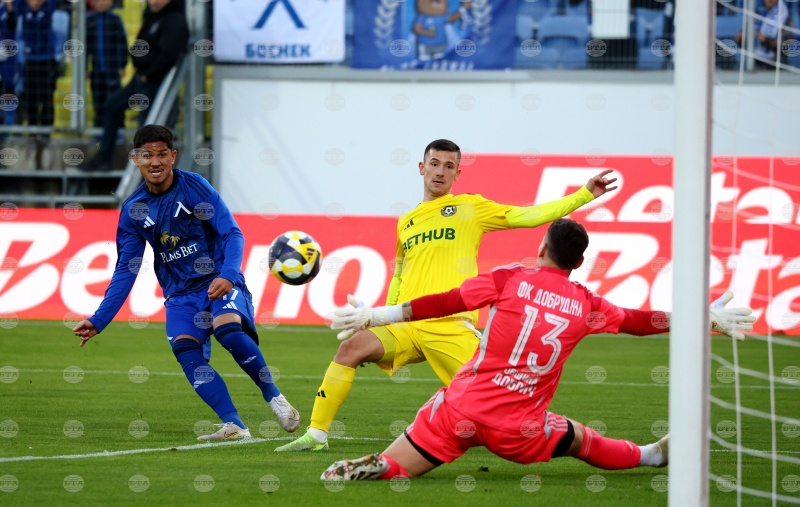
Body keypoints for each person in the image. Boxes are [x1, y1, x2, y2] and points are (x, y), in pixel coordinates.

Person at [321, 219, 756, 481]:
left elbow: (448, 302)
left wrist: (376, 315)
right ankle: (652, 455)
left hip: (461, 409)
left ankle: (388, 466)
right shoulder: (587, 304)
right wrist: (702, 318)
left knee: (411, 452)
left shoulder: (509, 278)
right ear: (579, 263)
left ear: (542, 247)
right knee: (581, 439)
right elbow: (641, 322)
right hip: (520, 429)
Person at [275, 138, 619, 452]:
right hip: (407, 324)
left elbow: (528, 216)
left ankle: (578, 444)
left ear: (457, 173)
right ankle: (316, 435)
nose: (441, 171)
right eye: (435, 164)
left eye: (449, 166)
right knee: (351, 347)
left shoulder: (471, 208)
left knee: (502, 401)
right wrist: (381, 314)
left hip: (450, 325)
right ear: (421, 167)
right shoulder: (406, 221)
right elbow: (400, 273)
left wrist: (583, 195)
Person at [72, 124, 301, 441]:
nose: (155, 162)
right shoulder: (134, 210)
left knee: (228, 331)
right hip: (180, 294)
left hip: (218, 281)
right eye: (147, 155)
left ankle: (274, 397)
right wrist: (99, 319)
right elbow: (127, 268)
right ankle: (234, 425)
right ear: (135, 159)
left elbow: (231, 233)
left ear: (173, 156)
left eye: (162, 154)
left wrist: (228, 275)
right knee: (185, 350)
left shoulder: (194, 187)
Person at [84, 0, 188, 172]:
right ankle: (103, 158)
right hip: (141, 78)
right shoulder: (152, 16)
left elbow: (169, 56)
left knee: (149, 127)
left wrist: (149, 73)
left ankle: (149, 171)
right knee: (112, 106)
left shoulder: (174, 20)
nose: (153, 1)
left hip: (156, 83)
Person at [11, 0, 65, 135]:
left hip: (47, 60)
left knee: (47, 97)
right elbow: (14, 5)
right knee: (31, 98)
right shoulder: (23, 8)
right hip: (30, 60)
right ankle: (32, 131)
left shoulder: (48, 7)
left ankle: (46, 132)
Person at [86, 0, 128, 128]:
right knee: (98, 101)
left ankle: (119, 128)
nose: (101, 3)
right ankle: (99, 129)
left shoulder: (115, 20)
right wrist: (85, 67)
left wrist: (122, 65)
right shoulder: (89, 20)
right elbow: (86, 47)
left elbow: (122, 43)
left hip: (113, 69)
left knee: (116, 100)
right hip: (96, 70)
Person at [734, 0, 790, 67]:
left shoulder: (784, 15)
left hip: (775, 65)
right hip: (755, 62)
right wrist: (741, 39)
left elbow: (785, 45)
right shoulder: (756, 12)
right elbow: (743, 36)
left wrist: (766, 40)